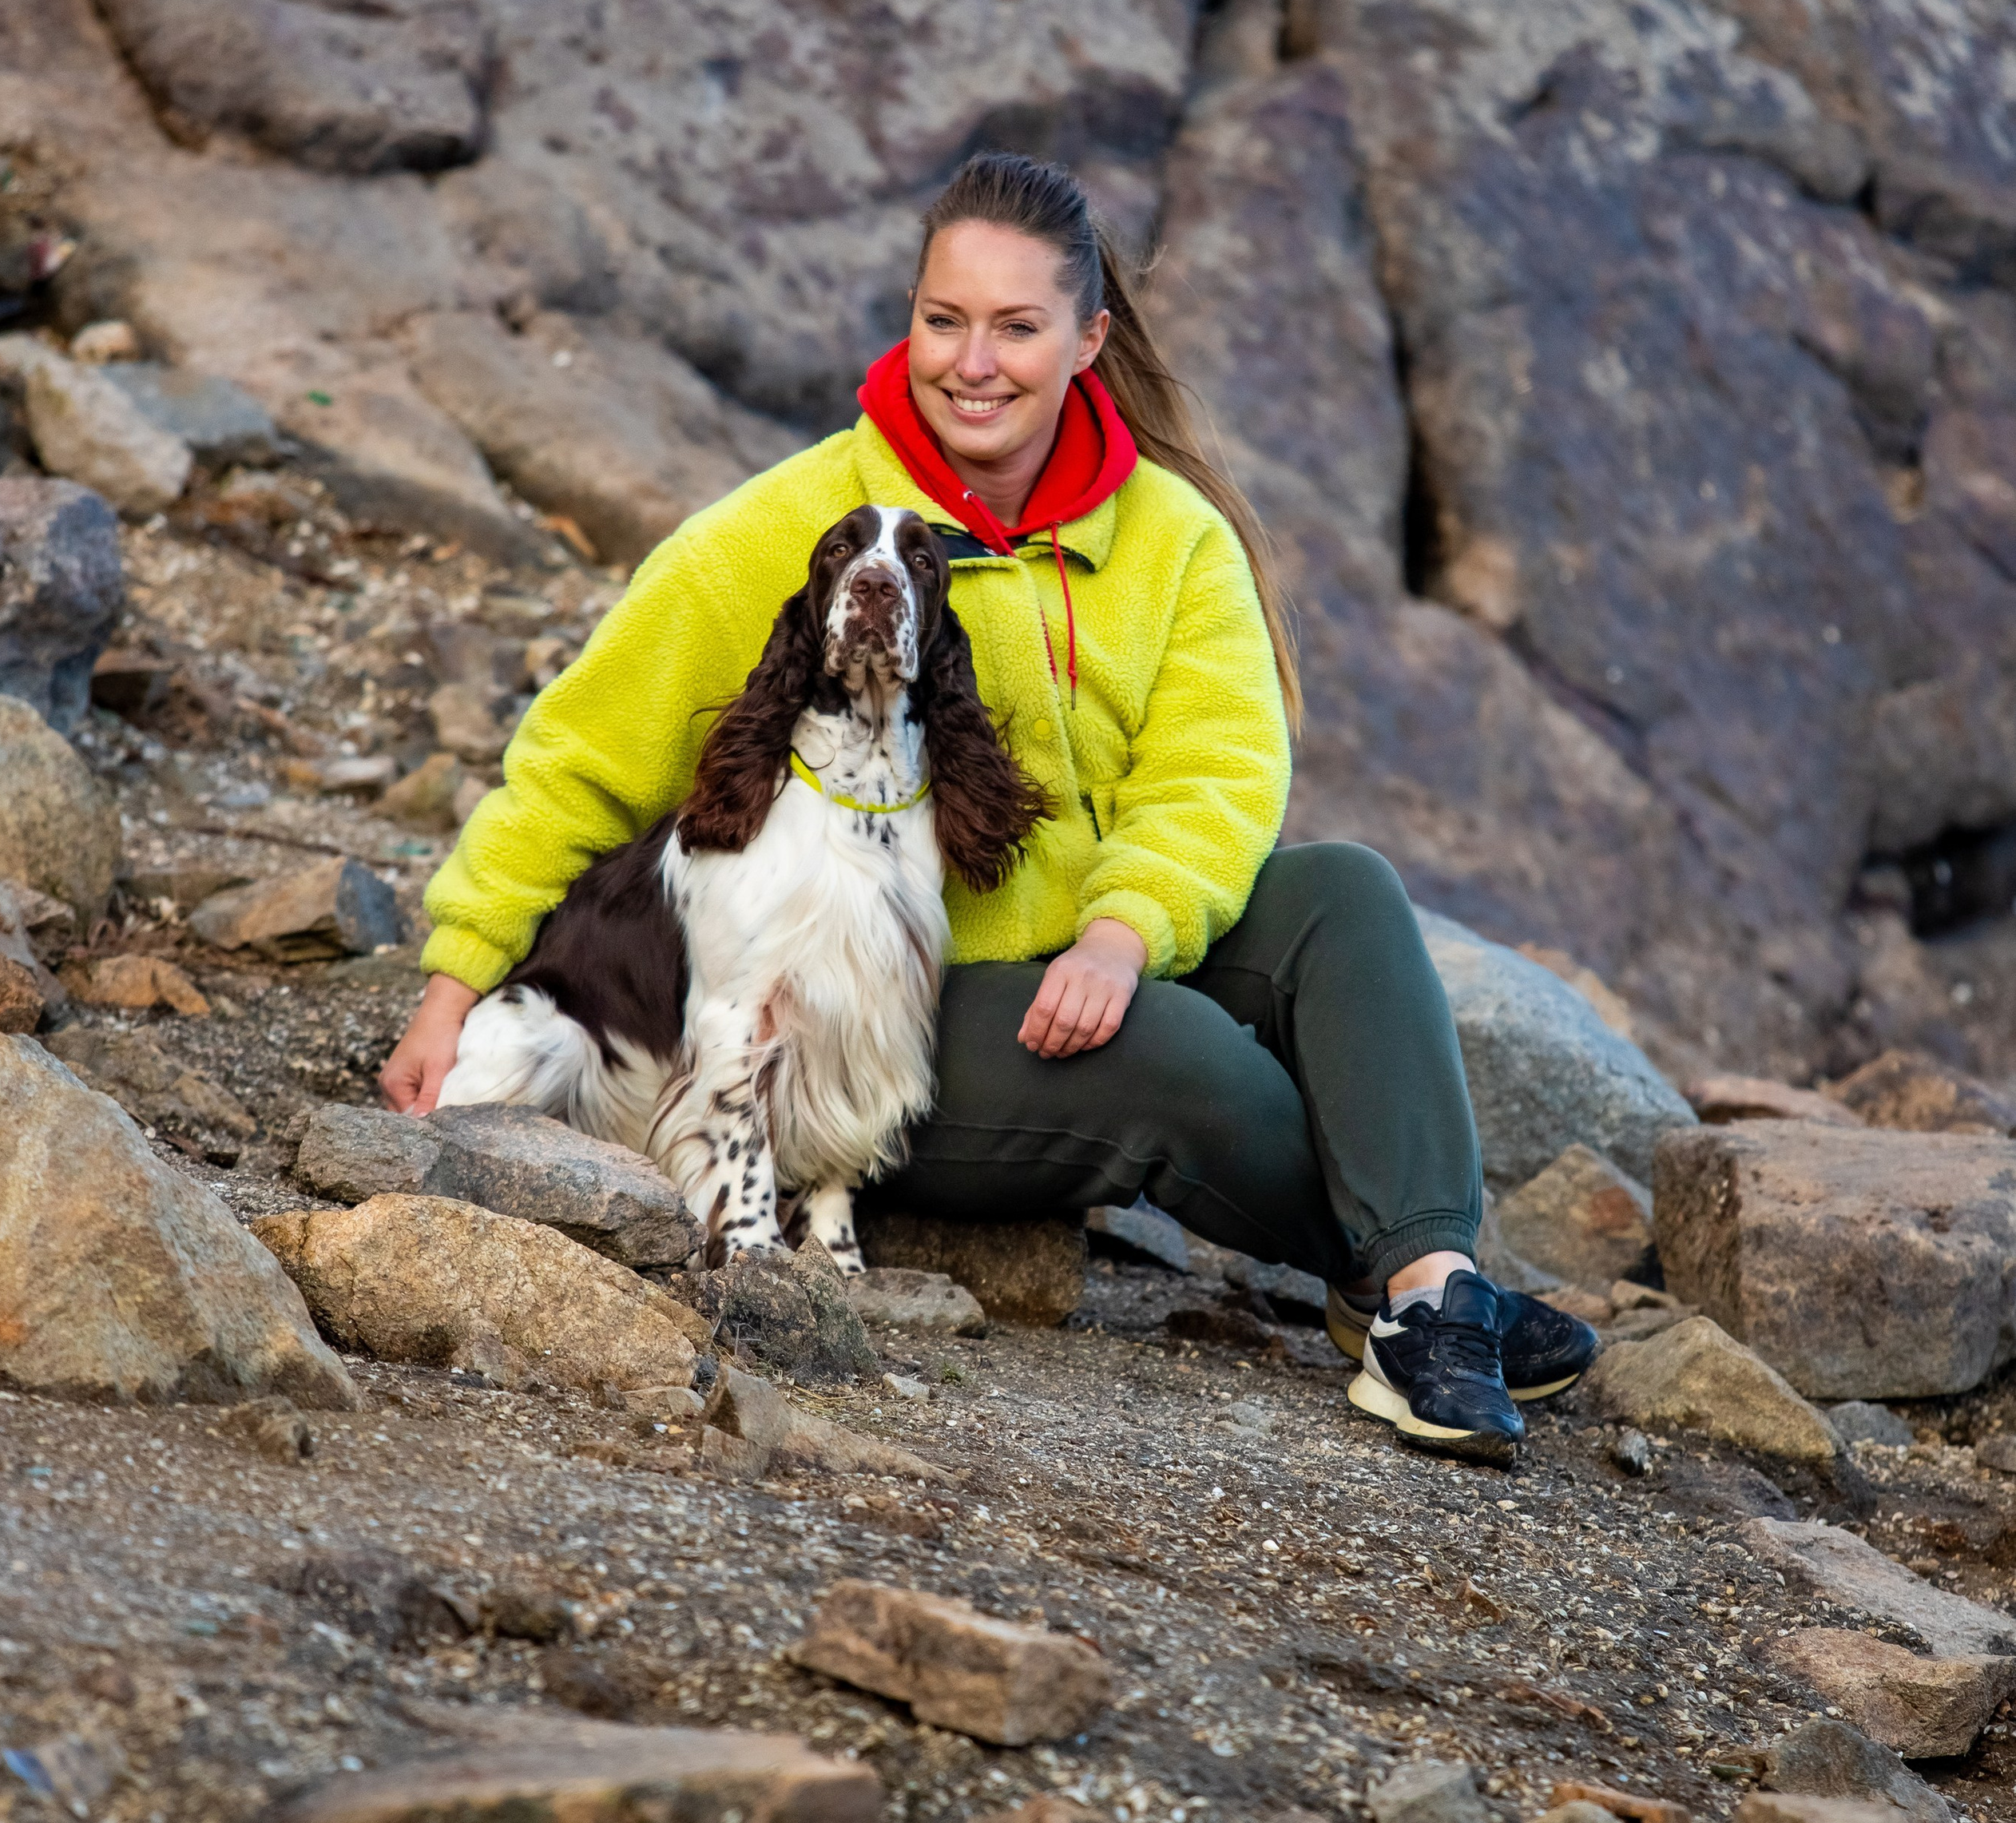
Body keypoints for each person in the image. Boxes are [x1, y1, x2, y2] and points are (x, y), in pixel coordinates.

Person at [379, 152, 1596, 1464]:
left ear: (1089, 339)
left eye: (1018, 327)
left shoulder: (1172, 539)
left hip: (1097, 944)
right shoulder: (797, 529)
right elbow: (579, 759)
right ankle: (1433, 1275)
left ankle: (1422, 1303)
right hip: (902, 1008)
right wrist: (455, 988)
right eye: (944, 321)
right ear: (909, 321)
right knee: (1177, 1056)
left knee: (1346, 889)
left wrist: (1124, 930)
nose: (975, 362)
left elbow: (1219, 776)